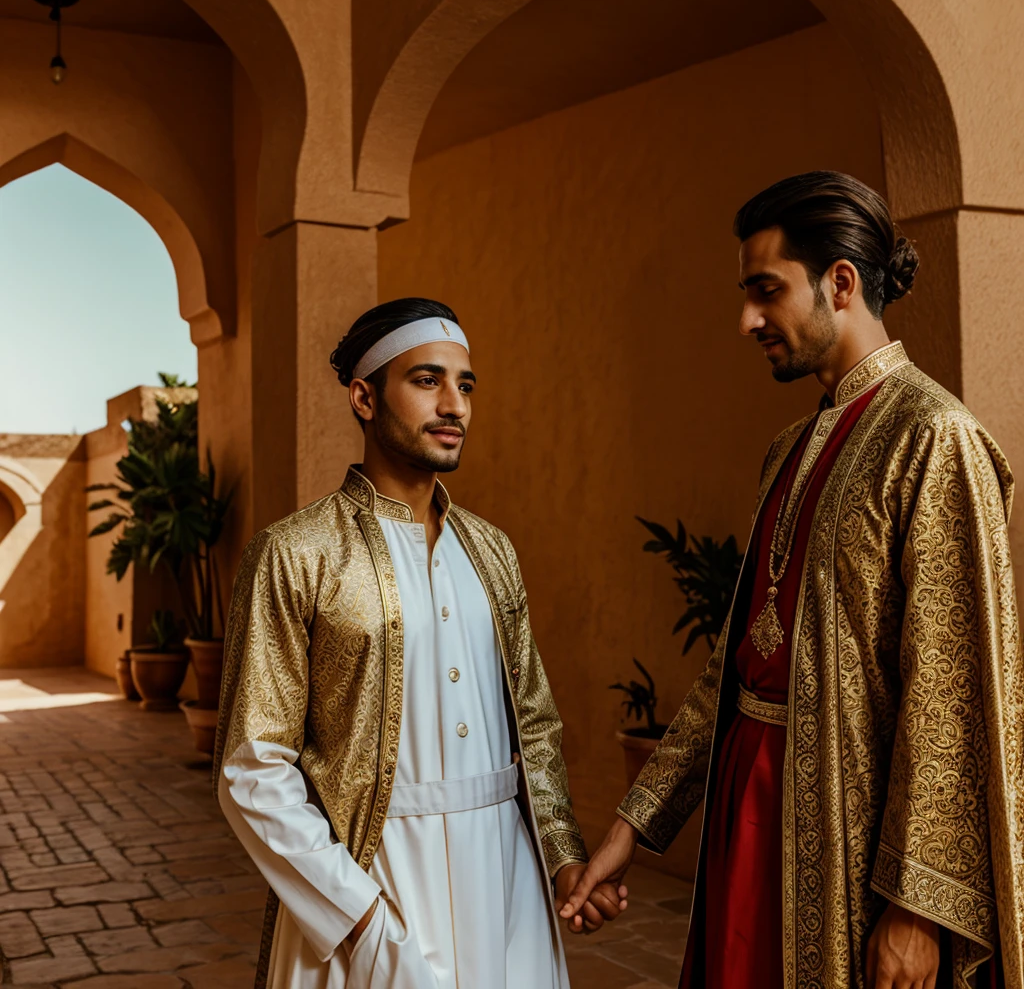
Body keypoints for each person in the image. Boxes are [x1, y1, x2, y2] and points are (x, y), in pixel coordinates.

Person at [562, 172, 1024, 989]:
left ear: (840, 282)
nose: (747, 320)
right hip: (749, 815)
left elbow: (949, 695)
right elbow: (734, 664)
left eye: (765, 291)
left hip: (847, 838)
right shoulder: (788, 448)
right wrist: (633, 826)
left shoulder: (935, 438)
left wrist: (915, 909)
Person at [213, 297, 623, 989]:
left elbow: (537, 724)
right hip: (369, 888)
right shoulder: (295, 553)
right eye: (427, 381)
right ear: (364, 397)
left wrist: (563, 857)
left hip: (506, 878)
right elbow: (253, 767)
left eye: (465, 385)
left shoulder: (492, 550)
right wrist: (361, 921)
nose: (454, 405)